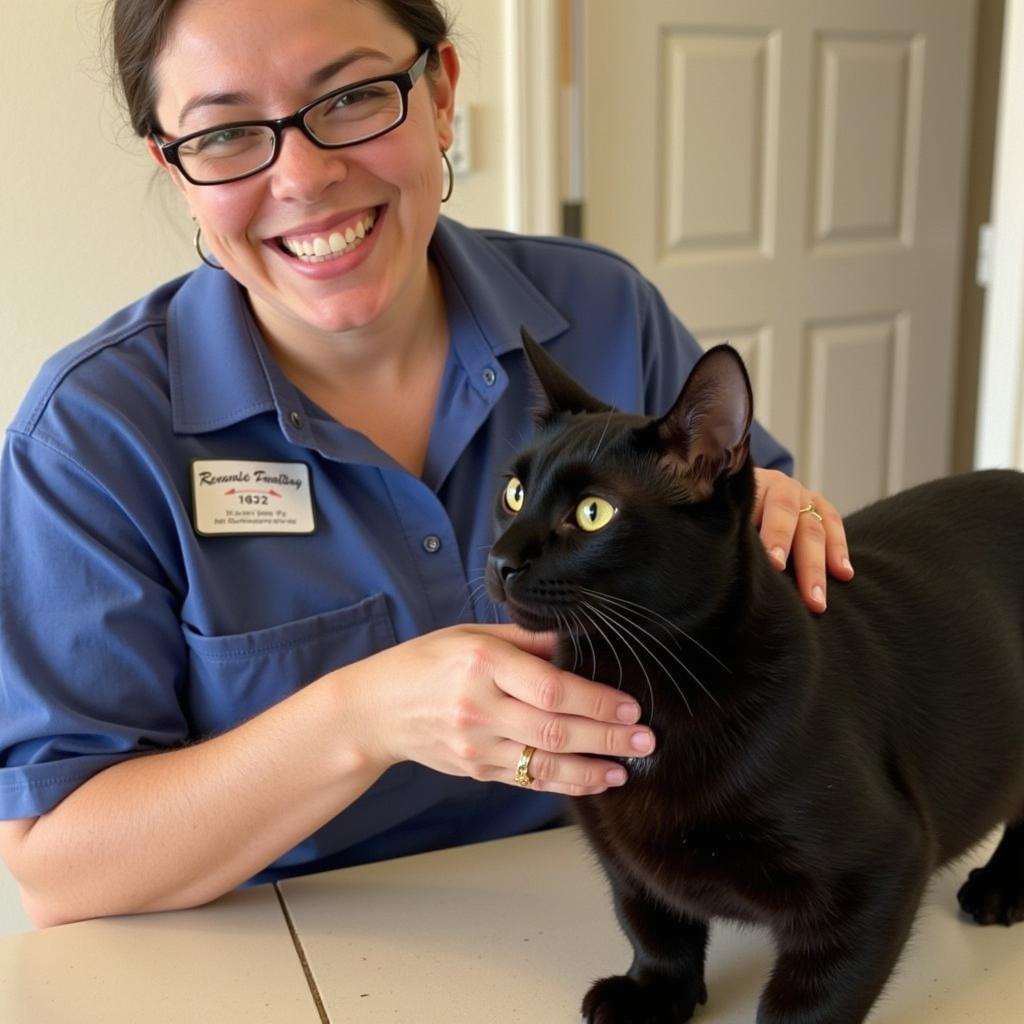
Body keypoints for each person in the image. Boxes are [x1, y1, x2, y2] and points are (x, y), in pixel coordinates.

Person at [0, 0, 853, 929]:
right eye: (227, 133)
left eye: (354, 96)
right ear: (178, 171)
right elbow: (56, 868)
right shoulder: (90, 436)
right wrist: (359, 721)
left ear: (440, 93)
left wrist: (777, 529)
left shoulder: (607, 312)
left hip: (633, 909)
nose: (304, 177)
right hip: (281, 947)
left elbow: (776, 628)